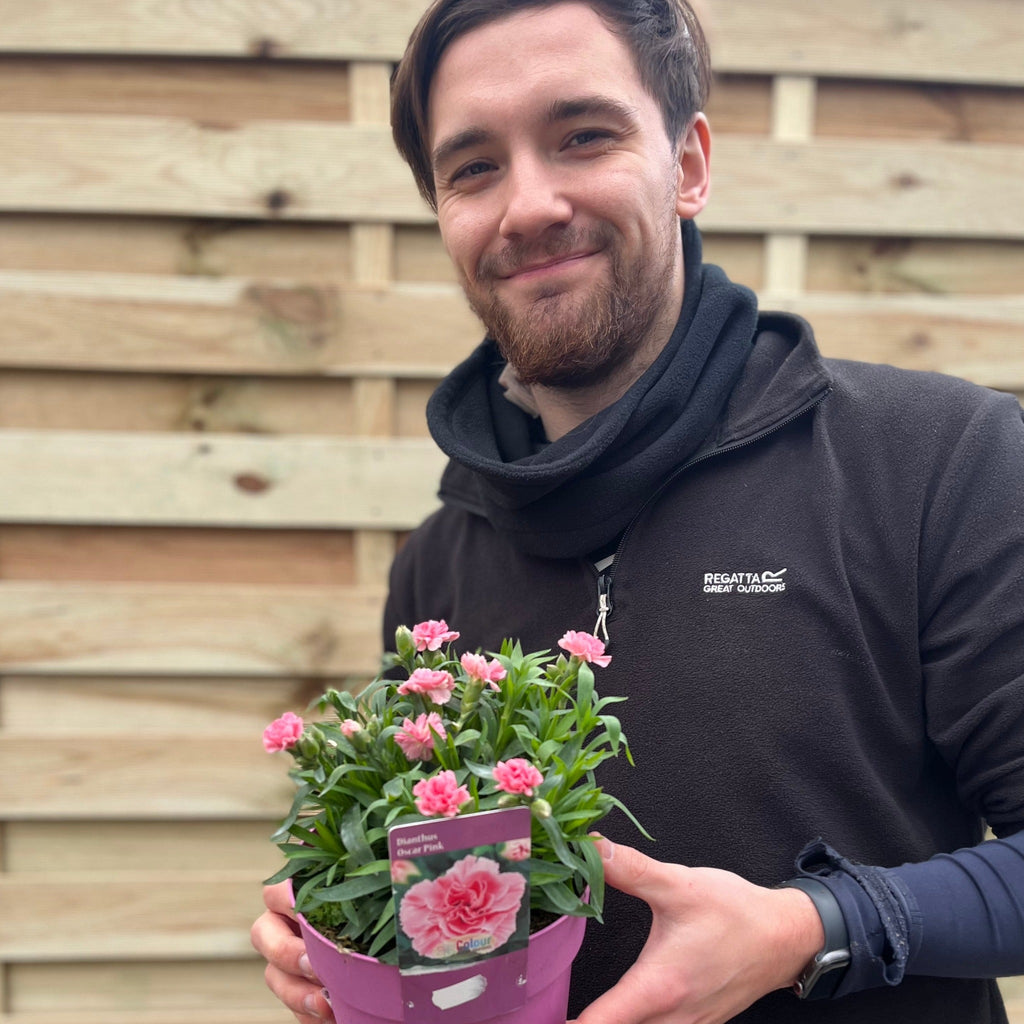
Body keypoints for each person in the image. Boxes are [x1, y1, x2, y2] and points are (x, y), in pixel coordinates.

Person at [250, 1, 1024, 1021]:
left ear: (687, 164)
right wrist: (349, 937)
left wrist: (812, 927)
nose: (527, 204)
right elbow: (461, 915)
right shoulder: (438, 565)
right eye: (472, 167)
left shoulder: (935, 459)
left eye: (583, 136)